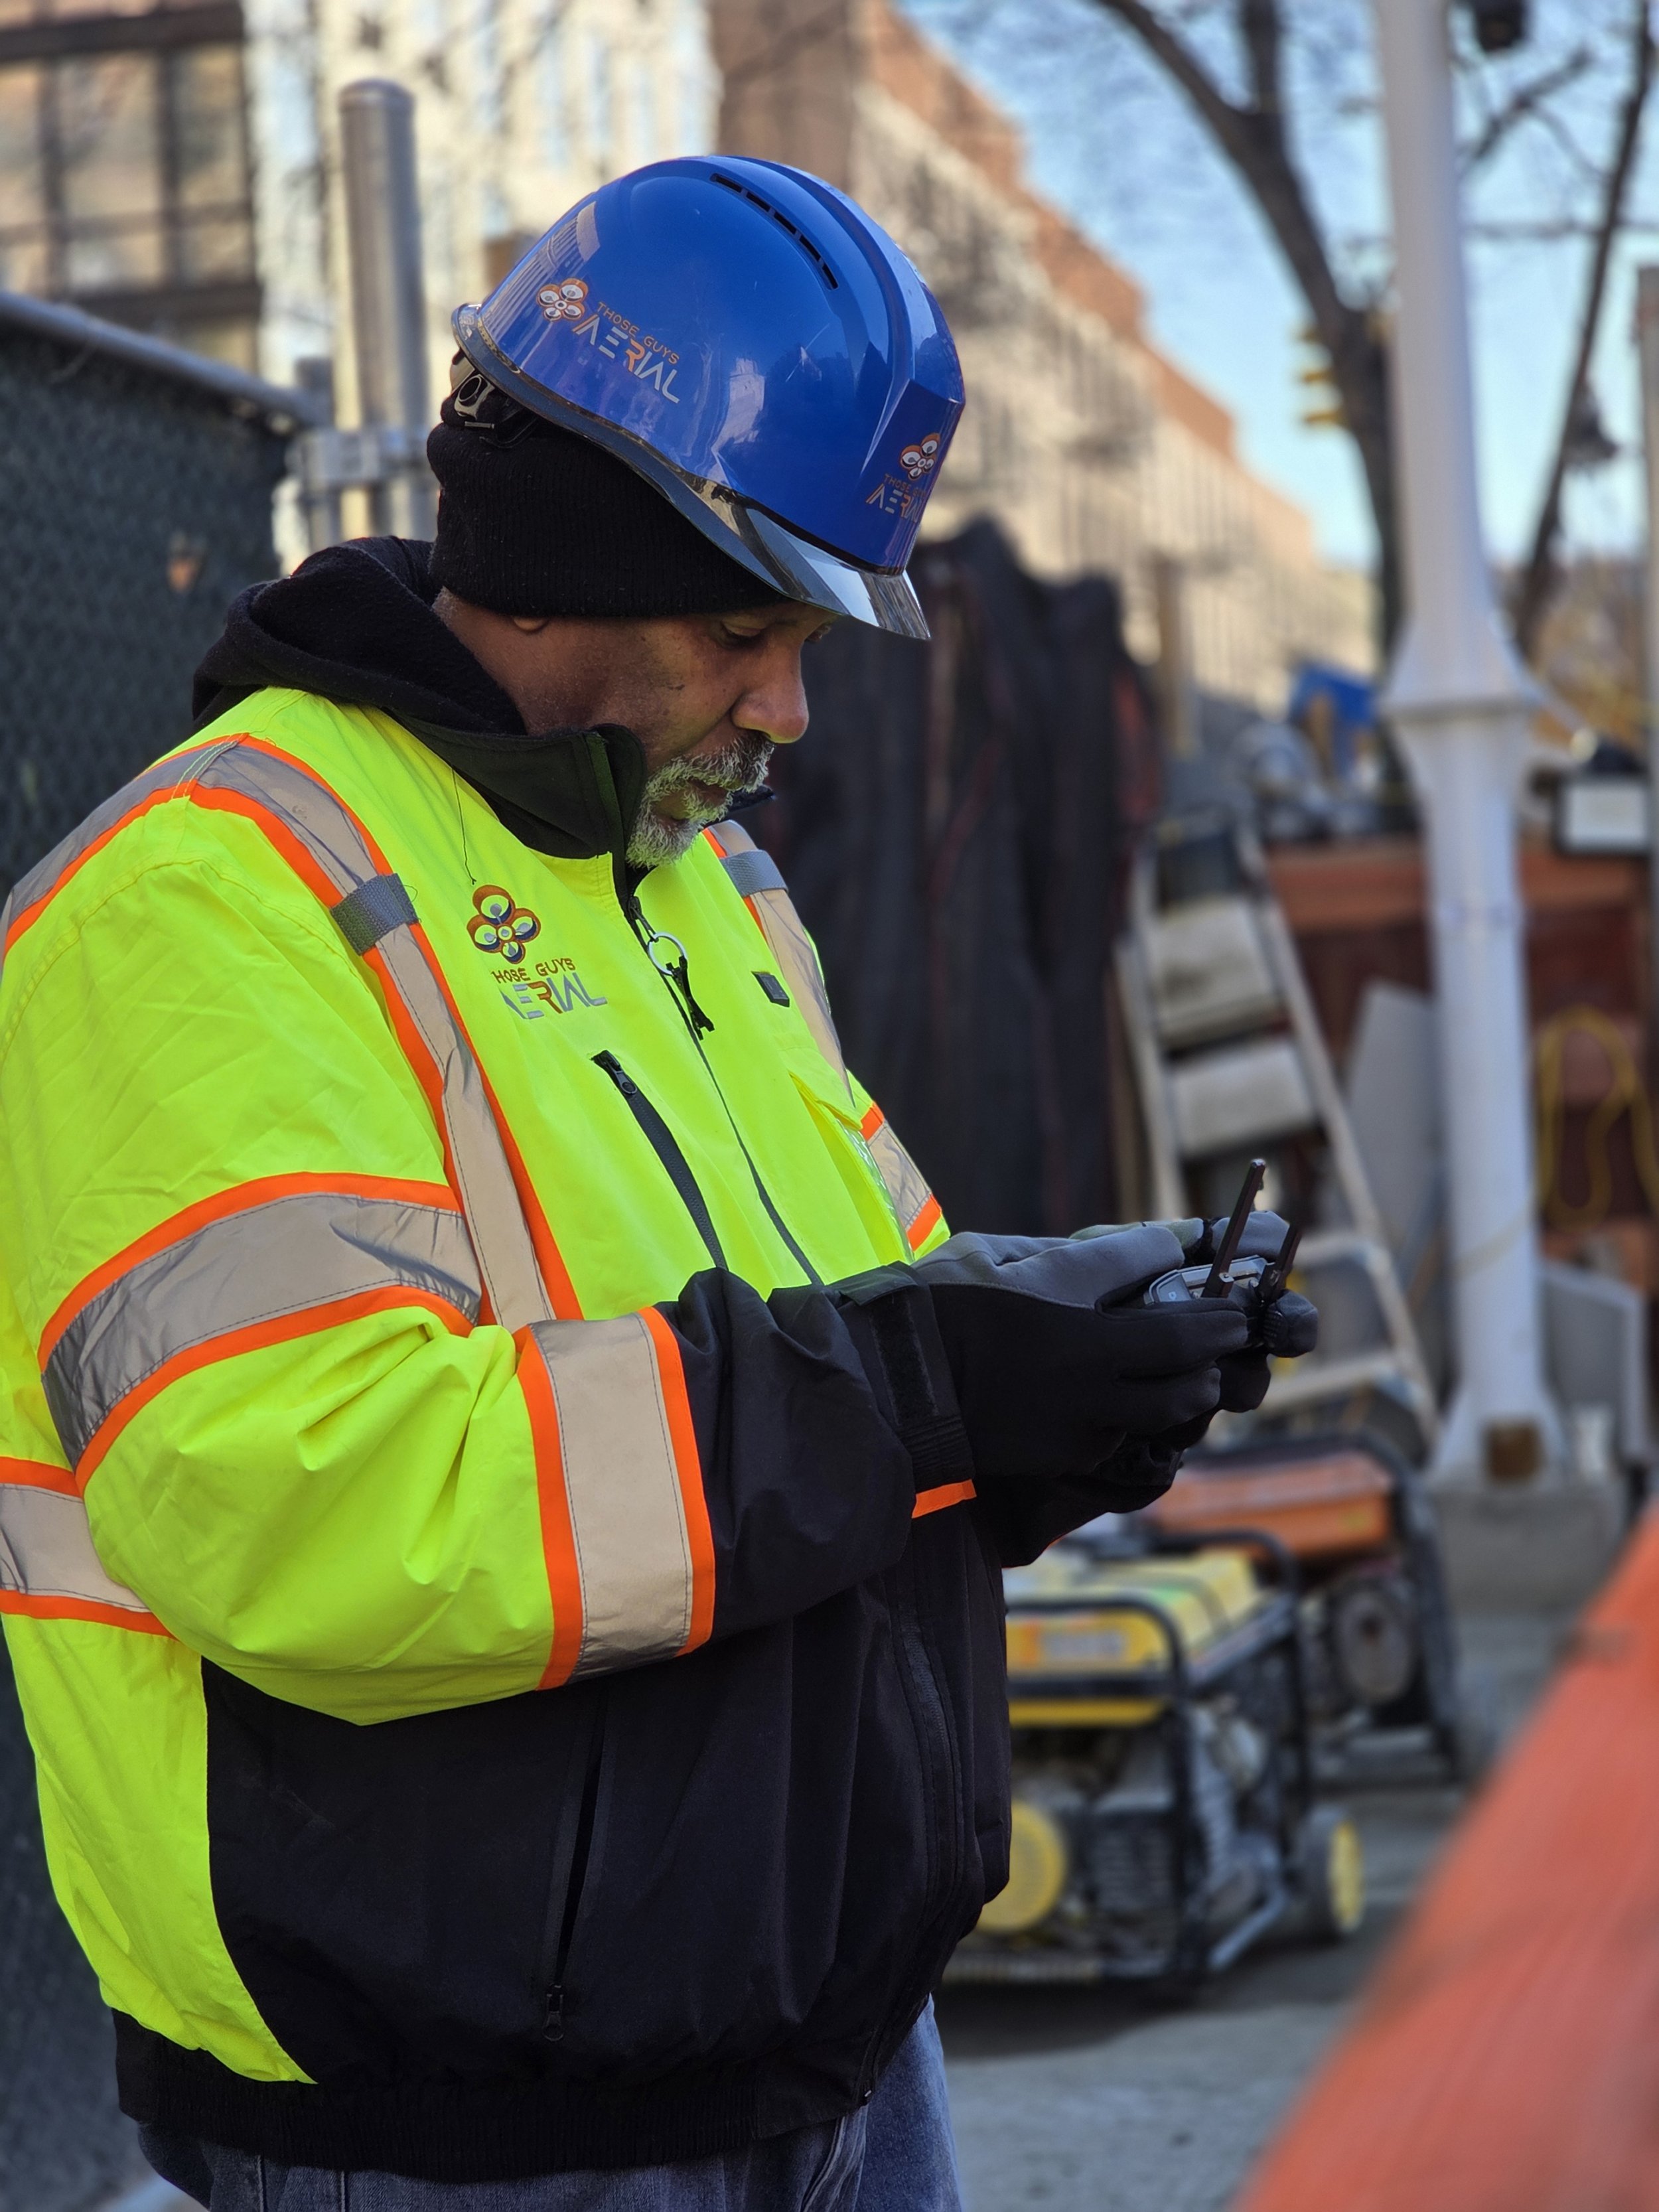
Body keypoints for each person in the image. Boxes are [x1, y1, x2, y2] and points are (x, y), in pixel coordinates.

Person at [0, 158, 1315, 2212]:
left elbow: (855, 1348)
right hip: (464, 2105)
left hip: (806, 2022)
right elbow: (305, 1507)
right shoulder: (208, 901)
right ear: (553, 561)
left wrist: (1070, 1371)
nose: (788, 706)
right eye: (741, 630)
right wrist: (926, 1395)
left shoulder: (703, 884)